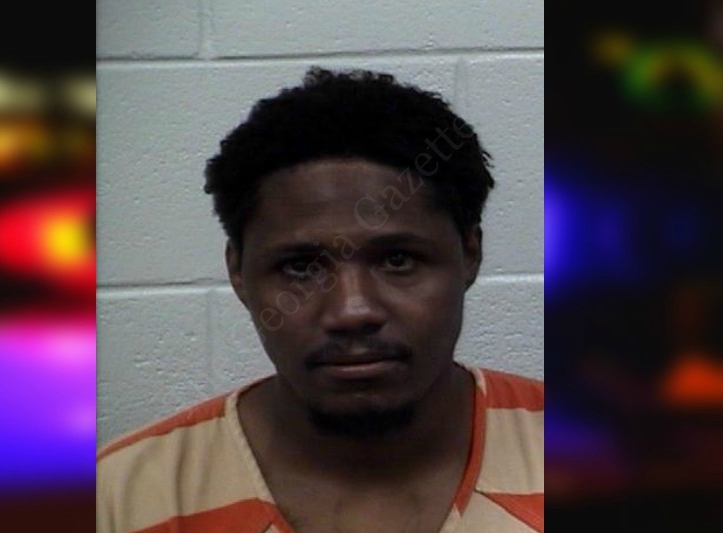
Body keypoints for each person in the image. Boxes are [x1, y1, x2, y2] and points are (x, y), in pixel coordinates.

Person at [97, 67, 543, 533]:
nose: (352, 311)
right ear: (238, 272)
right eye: (300, 267)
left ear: (469, 254)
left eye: (397, 260)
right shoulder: (121, 498)